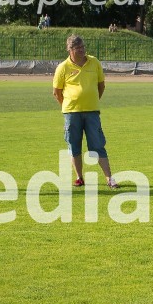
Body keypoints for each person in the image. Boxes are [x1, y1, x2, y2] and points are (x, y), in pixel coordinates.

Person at [52, 34, 119, 188]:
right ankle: (79, 177)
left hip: (92, 112)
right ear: (70, 49)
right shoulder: (63, 67)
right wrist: (68, 105)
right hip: (71, 113)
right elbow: (57, 91)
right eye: (78, 48)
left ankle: (109, 178)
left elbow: (101, 86)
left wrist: (92, 100)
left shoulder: (94, 62)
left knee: (97, 145)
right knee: (74, 145)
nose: (82, 50)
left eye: (83, 47)